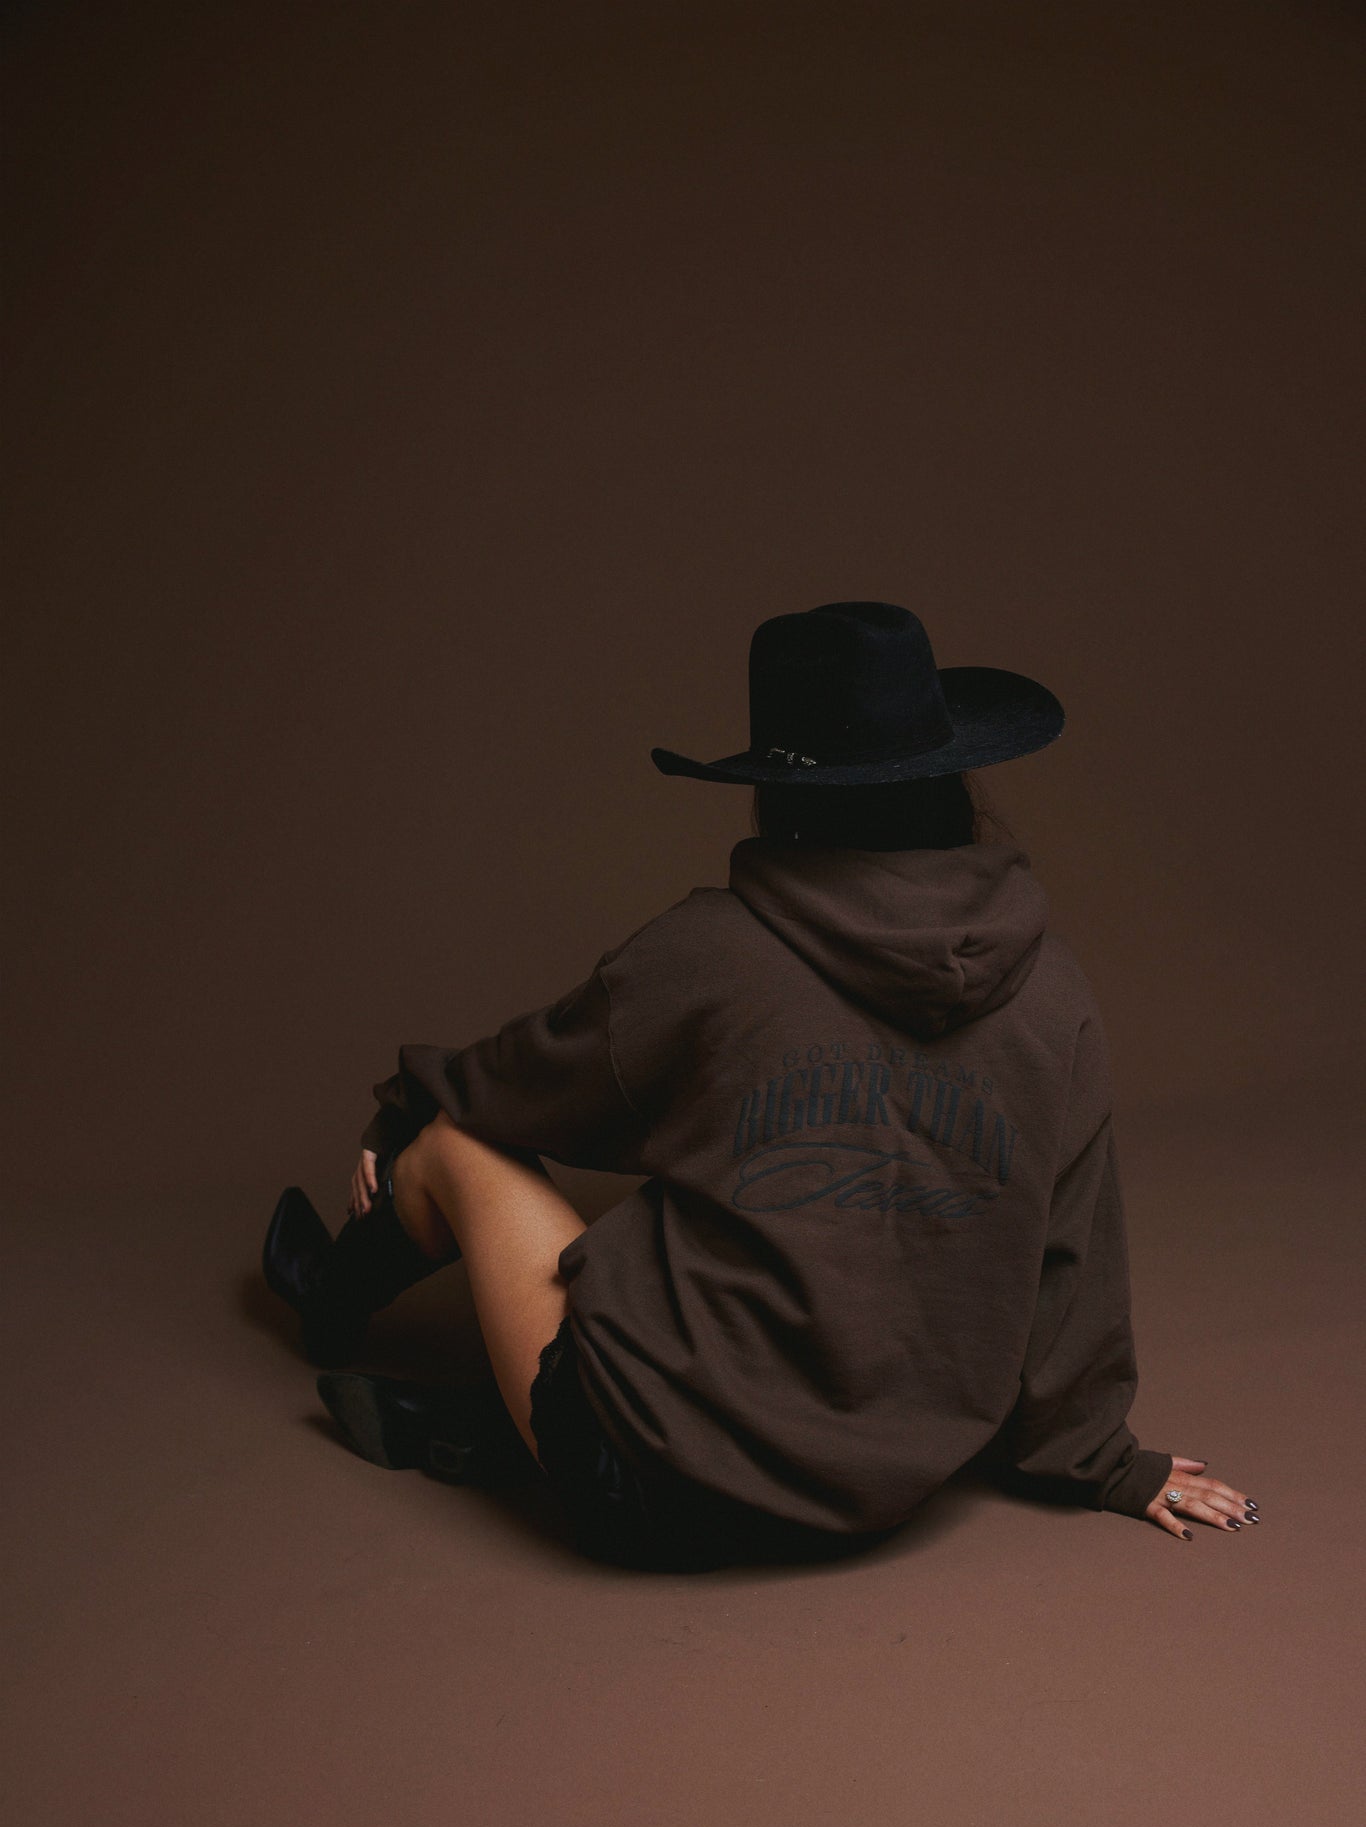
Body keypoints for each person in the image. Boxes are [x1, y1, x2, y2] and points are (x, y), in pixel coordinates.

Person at [263, 601, 1259, 1571]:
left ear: (779, 792)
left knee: (454, 1140)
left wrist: (402, 1114)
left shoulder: (706, 955)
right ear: (947, 777)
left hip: (644, 1490)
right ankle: (451, 1417)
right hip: (882, 1496)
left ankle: (327, 1294)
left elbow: (515, 1083)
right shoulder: (1055, 990)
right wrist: (1103, 1460)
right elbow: (1072, 1256)